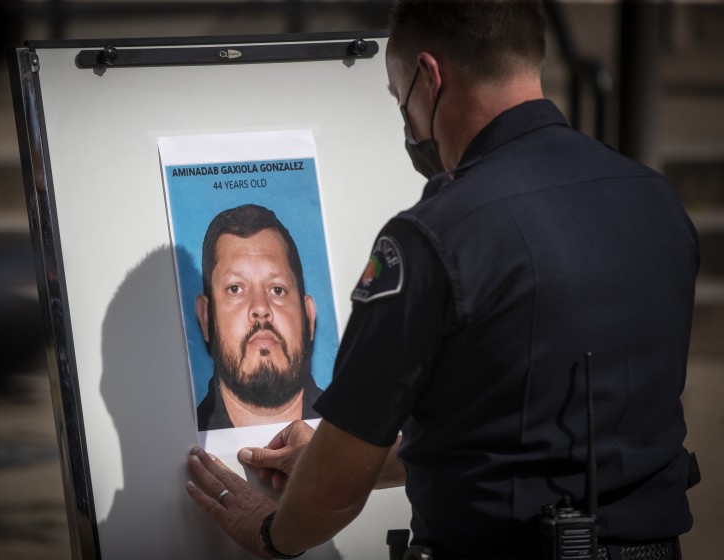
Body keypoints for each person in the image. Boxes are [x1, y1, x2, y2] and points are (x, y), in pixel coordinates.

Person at [186, 1, 700, 558]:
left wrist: (271, 532)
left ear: (429, 79)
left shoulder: (435, 237)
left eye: (398, 97)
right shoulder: (656, 200)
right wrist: (340, 457)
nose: (406, 122)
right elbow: (514, 430)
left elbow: (334, 490)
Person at [194, 203, 322, 431]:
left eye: (277, 289)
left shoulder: (361, 437)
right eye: (235, 289)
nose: (260, 307)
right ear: (206, 318)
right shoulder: (175, 447)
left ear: (309, 316)